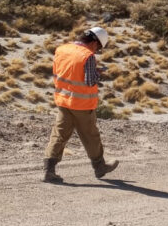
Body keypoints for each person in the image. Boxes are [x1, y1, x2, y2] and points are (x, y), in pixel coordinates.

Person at [42, 27, 119, 183]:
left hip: (63, 100)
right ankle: (100, 167)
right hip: (82, 104)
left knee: (59, 134)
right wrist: (99, 73)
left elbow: (63, 72)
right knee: (91, 136)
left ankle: (48, 170)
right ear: (94, 42)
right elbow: (90, 81)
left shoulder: (62, 49)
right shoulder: (87, 56)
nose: (96, 51)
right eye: (98, 47)